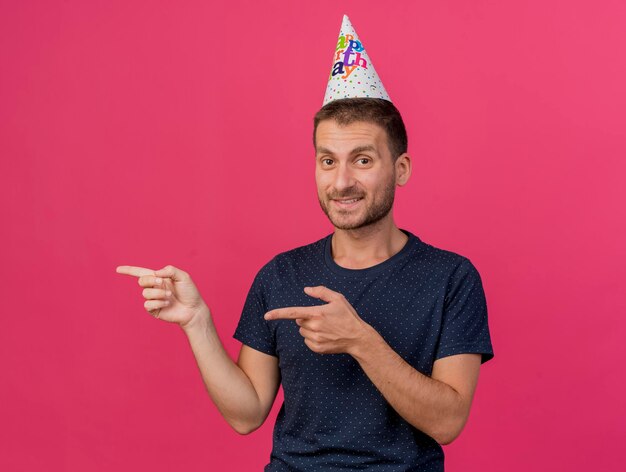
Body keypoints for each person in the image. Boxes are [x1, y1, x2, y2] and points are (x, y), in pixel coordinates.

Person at [116, 15, 494, 471]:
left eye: (363, 159)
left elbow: (448, 422)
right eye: (328, 160)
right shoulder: (282, 274)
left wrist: (360, 341)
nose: (342, 181)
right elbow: (246, 413)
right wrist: (197, 322)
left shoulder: (450, 277)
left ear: (402, 169)